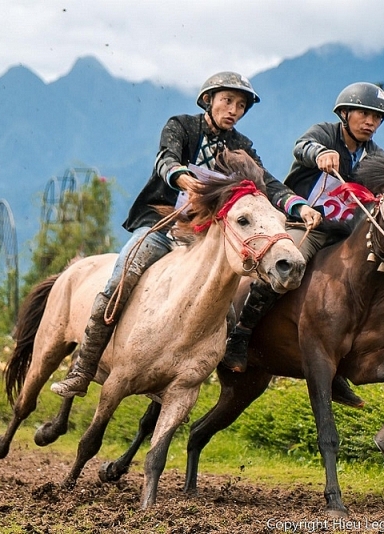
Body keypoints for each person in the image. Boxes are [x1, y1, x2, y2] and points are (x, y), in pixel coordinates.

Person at [51, 71, 322, 398]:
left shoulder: (241, 147)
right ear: (208, 100)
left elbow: (268, 183)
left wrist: (298, 206)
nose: (233, 109)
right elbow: (165, 161)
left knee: (228, 309)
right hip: (161, 225)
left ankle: (180, 375)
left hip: (202, 238)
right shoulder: (180, 126)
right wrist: (182, 178)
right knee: (119, 280)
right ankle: (83, 368)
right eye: (227, 101)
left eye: (240, 105)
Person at [221, 82, 384, 372]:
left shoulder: (374, 156)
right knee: (291, 262)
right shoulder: (325, 133)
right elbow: (302, 147)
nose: (371, 122)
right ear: (345, 114)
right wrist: (320, 153)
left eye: (377, 118)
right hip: (306, 224)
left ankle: (343, 356)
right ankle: (241, 333)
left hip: (345, 235)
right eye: (364, 114)